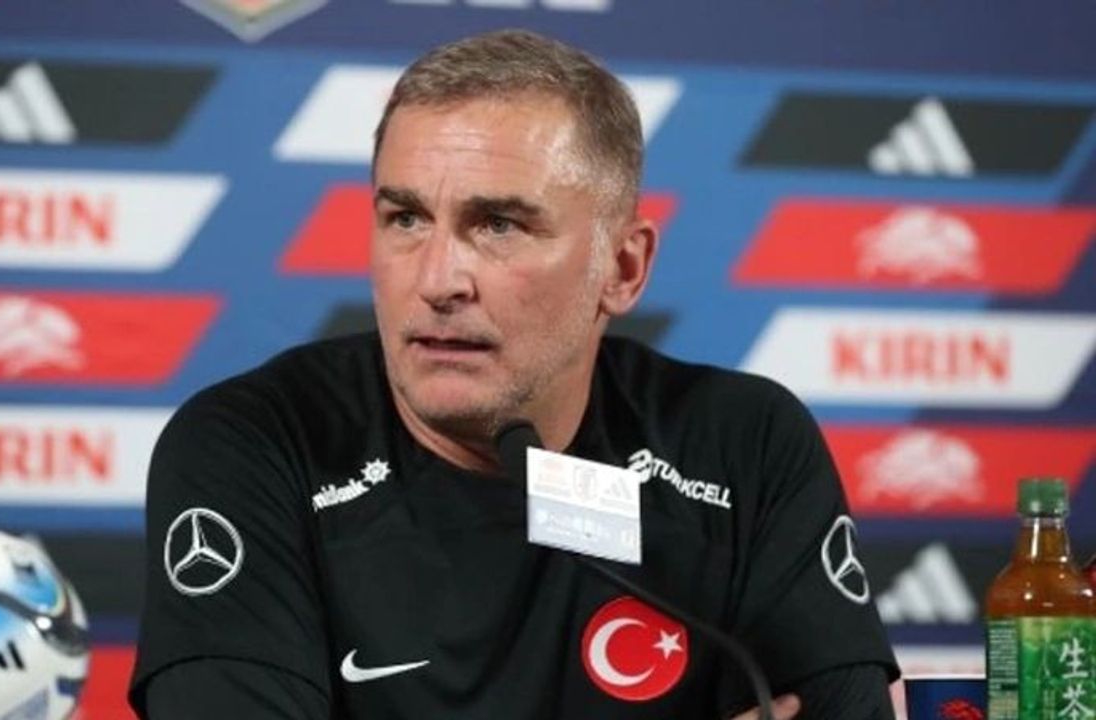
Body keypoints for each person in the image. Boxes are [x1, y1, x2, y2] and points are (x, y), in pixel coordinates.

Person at [130, 29, 899, 719]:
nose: (438, 280)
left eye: (497, 225)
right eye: (405, 219)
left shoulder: (741, 446)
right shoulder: (257, 445)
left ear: (622, 268)